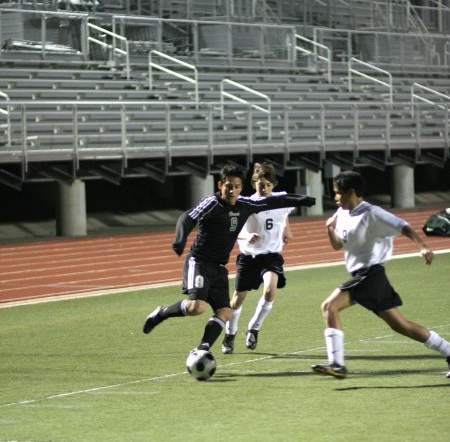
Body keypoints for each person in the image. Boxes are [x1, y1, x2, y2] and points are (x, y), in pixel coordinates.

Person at [142, 163, 316, 355]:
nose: (232, 190)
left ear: (241, 188)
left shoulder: (244, 205)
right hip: (199, 261)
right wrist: (180, 240)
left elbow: (272, 202)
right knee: (196, 308)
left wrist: (303, 200)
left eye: (236, 186)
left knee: (225, 313)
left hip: (219, 268)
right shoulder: (212, 203)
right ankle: (162, 313)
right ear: (220, 185)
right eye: (228, 186)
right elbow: (187, 217)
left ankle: (202, 350)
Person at [312, 170, 450, 379]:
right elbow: (337, 245)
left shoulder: (372, 213)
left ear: (351, 192)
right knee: (400, 326)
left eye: (338, 193)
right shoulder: (342, 213)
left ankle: (338, 364)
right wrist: (330, 230)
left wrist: (422, 247)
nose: (335, 197)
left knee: (329, 306)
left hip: (370, 274)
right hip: (368, 277)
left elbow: (403, 226)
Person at [222, 162, 295, 354]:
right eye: (261, 185)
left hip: (270, 256)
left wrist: (286, 229)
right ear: (254, 183)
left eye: (268, 185)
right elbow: (232, 230)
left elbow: (284, 213)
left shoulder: (281, 200)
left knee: (270, 291)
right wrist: (247, 236)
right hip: (248, 257)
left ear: (273, 185)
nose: (265, 189)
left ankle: (253, 329)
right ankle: (230, 334)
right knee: (237, 300)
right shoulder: (246, 204)